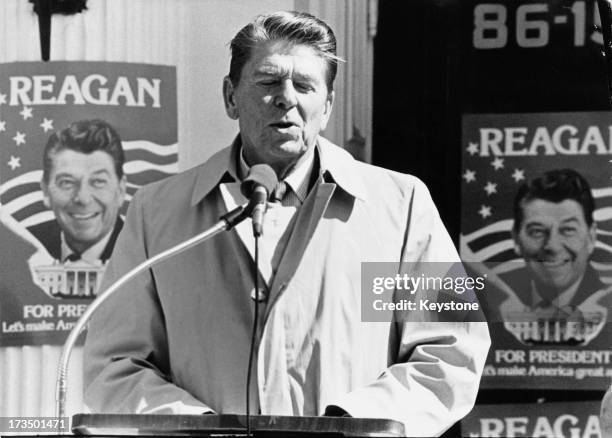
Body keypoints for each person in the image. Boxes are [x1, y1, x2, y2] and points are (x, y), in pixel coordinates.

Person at [83, 11, 490, 436]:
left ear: (328, 105)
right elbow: (115, 365)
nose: (287, 98)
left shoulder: (400, 207)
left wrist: (351, 427)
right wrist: (196, 429)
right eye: (268, 82)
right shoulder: (157, 213)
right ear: (230, 97)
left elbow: (450, 352)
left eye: (306, 85)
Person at [498, 168, 612, 345]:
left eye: (568, 230)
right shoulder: (487, 297)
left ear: (591, 237)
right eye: (537, 231)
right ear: (516, 238)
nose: (552, 245)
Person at [28, 119, 126, 264]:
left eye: (98, 181)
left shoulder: (144, 251)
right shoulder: (25, 247)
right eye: (67, 182)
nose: (83, 198)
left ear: (120, 190)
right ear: (46, 191)